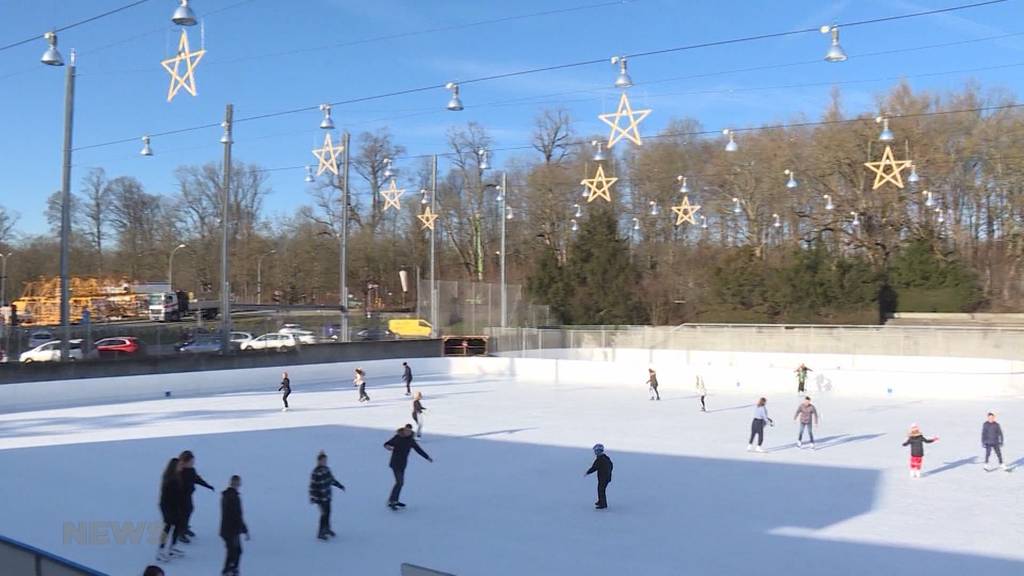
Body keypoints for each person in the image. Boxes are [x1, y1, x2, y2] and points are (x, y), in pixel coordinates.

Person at [384, 424, 433, 510]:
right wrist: (387, 446)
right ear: (403, 430)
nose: (407, 432)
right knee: (399, 482)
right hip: (395, 463)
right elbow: (387, 443)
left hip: (403, 464)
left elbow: (418, 449)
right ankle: (392, 501)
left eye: (409, 431)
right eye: (406, 430)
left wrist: (427, 457)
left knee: (400, 483)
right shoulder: (398, 437)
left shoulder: (411, 440)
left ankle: (394, 500)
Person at [177, 450, 214, 543]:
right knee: (183, 513)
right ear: (185, 462)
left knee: (189, 510)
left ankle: (184, 528)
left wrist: (207, 485)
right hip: (180, 497)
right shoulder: (178, 472)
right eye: (191, 461)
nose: (193, 463)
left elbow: (197, 479)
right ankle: (180, 532)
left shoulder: (191, 470)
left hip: (188, 495)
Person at [309, 451, 345, 540]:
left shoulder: (327, 469)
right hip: (320, 498)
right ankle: (320, 532)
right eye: (323, 460)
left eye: (326, 460)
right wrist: (313, 498)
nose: (325, 462)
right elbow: (312, 486)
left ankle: (327, 529)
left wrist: (339, 485)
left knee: (328, 513)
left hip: (327, 497)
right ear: (319, 461)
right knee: (323, 514)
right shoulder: (316, 472)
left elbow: (331, 480)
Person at [156, 458, 186, 562]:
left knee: (176, 525)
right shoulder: (171, 479)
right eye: (179, 465)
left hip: (173, 506)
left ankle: (171, 548)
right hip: (168, 507)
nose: (181, 467)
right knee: (168, 527)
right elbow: (171, 496)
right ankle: (161, 550)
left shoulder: (176, 476)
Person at [220, 474, 249, 576]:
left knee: (234, 550)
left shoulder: (227, 495)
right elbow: (237, 515)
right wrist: (244, 529)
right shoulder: (233, 498)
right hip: (232, 530)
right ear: (237, 484)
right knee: (235, 551)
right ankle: (230, 569)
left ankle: (230, 569)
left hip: (228, 529)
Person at [585, 444, 613, 509]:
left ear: (599, 451)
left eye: (596, 451)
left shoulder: (600, 459)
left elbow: (594, 467)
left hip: (604, 478)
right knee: (600, 489)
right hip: (605, 477)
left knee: (601, 490)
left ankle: (603, 504)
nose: (595, 452)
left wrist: (588, 472)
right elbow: (611, 465)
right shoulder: (605, 457)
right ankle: (601, 501)